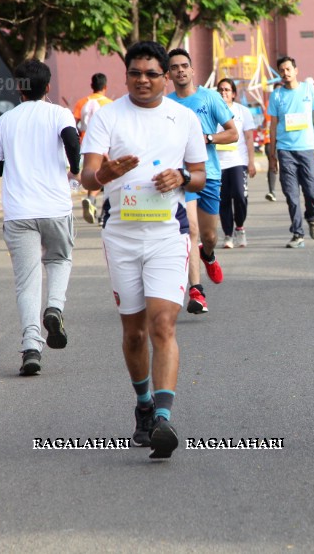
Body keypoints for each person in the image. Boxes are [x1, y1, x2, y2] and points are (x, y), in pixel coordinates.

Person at [80, 41, 207, 460]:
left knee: (163, 324)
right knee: (134, 332)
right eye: (136, 73)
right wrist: (106, 172)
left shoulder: (183, 117)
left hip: (167, 235)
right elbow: (87, 178)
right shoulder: (108, 116)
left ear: (165, 77)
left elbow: (201, 176)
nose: (143, 80)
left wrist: (182, 177)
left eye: (152, 73)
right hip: (121, 234)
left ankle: (163, 419)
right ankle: (143, 404)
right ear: (126, 75)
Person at [0, 60, 79, 375]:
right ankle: (54, 307)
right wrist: (76, 168)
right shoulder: (59, 114)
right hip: (55, 208)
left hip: (18, 212)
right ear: (48, 87)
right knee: (59, 259)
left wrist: (16, 155)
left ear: (18, 88)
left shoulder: (5, 121)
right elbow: (71, 141)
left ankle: (31, 348)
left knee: (26, 282)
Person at [166, 48, 237, 315]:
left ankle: (208, 254)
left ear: (193, 70)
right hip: (182, 177)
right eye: (175, 67)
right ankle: (197, 291)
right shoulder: (167, 105)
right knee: (191, 230)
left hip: (210, 174)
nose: (180, 70)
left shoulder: (211, 98)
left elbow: (232, 134)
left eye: (185, 65)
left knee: (208, 236)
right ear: (169, 73)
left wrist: (207, 138)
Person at [266, 55, 314, 248]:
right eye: (282, 71)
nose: (285, 73)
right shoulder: (276, 95)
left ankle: (312, 217)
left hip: (307, 149)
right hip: (285, 151)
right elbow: (273, 126)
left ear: (296, 70)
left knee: (312, 191)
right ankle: (297, 234)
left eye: (288, 69)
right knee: (291, 195)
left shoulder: (309, 90)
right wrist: (272, 156)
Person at [214, 78, 256, 249]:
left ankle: (240, 226)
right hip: (218, 163)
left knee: (240, 195)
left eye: (227, 90)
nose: (224, 93)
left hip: (238, 161)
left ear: (233, 94)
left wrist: (251, 162)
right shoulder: (213, 112)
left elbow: (248, 138)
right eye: (221, 90)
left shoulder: (242, 111)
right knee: (223, 200)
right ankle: (228, 235)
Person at [73, 73, 112, 224]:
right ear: (105, 87)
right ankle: (103, 212)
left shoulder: (82, 102)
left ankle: (91, 200)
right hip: (105, 145)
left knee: (91, 172)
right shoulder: (110, 103)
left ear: (92, 86)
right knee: (106, 176)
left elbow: (74, 122)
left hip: (86, 144)